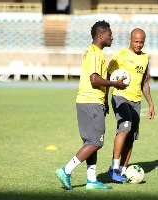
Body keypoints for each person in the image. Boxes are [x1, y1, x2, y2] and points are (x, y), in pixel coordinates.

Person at [55, 20, 127, 190]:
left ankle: (91, 180)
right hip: (91, 101)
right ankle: (66, 170)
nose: (112, 37)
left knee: (91, 142)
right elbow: (94, 79)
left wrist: (105, 100)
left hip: (89, 101)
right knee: (96, 142)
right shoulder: (95, 53)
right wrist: (115, 84)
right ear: (101, 35)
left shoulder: (92, 51)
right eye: (110, 34)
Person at [107, 28, 155, 182]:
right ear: (130, 39)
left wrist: (151, 104)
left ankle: (122, 170)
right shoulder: (120, 55)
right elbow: (108, 77)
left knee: (131, 137)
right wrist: (104, 100)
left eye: (142, 42)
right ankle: (114, 168)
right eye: (136, 41)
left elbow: (144, 82)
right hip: (120, 97)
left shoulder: (145, 58)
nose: (139, 44)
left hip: (136, 101)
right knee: (125, 127)